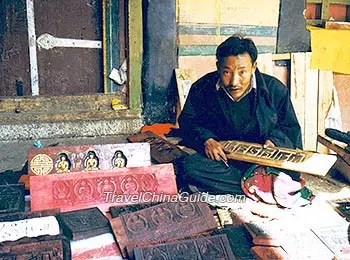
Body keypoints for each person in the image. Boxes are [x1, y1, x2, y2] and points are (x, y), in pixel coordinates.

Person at [178, 35, 303, 196]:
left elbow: (290, 127)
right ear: (218, 67)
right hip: (224, 161)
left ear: (254, 67)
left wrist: (275, 141)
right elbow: (188, 121)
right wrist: (206, 139)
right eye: (226, 72)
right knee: (190, 166)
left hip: (262, 163)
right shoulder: (202, 88)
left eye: (242, 72)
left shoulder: (274, 90)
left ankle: (256, 185)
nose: (234, 81)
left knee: (290, 172)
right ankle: (263, 187)